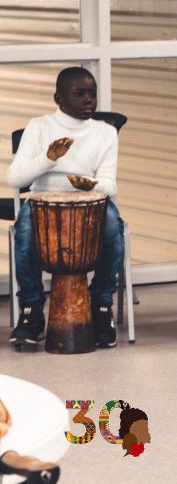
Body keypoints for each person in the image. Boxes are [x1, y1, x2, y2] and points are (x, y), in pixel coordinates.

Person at [8, 67, 125, 350]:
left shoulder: (106, 133)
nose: (88, 100)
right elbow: (15, 178)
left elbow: (110, 185)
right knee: (23, 234)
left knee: (113, 229)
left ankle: (101, 307)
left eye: (92, 94)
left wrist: (91, 184)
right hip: (43, 199)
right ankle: (31, 311)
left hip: (92, 199)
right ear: (59, 97)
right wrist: (48, 159)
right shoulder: (39, 126)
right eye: (79, 94)